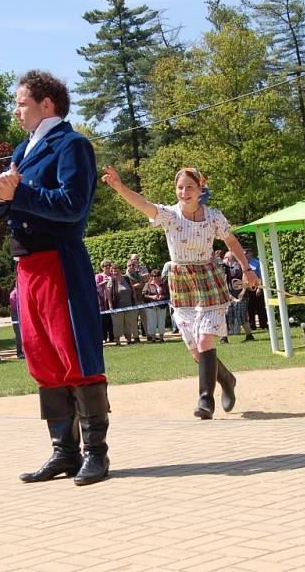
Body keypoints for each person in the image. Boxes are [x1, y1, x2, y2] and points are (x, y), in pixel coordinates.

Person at [0, 69, 109, 485]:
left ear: (47, 104)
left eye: (21, 102)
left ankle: (96, 453)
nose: (16, 110)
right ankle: (64, 451)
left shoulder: (72, 145)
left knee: (75, 354)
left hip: (59, 260)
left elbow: (72, 205)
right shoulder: (22, 149)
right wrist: (0, 196)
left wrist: (18, 192)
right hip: (28, 266)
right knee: (43, 359)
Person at [101, 165, 257, 419]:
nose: (184, 192)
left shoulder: (214, 216)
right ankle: (226, 378)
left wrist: (246, 268)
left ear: (200, 190)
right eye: (180, 187)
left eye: (190, 187)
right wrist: (120, 187)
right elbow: (143, 204)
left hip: (208, 278)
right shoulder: (170, 215)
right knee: (197, 351)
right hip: (181, 282)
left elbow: (230, 240)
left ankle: (205, 400)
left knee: (205, 339)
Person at [222, 251, 255, 342]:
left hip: (242, 296)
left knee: (241, 315)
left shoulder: (241, 266)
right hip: (229, 296)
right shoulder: (225, 268)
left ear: (228, 258)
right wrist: (228, 294)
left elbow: (246, 279)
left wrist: (243, 292)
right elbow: (223, 281)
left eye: (225, 257)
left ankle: (249, 336)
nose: (223, 259)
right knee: (226, 316)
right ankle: (224, 338)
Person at [106, 263, 137, 346]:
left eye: (116, 270)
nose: (114, 272)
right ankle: (118, 341)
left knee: (128, 323)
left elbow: (132, 291)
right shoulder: (111, 281)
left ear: (120, 270)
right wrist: (111, 307)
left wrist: (135, 302)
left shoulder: (127, 278)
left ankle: (129, 340)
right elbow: (108, 296)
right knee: (117, 324)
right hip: (117, 307)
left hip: (129, 306)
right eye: (112, 271)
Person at [142, 268, 168, 342]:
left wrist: (163, 296)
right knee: (151, 322)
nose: (156, 277)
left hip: (162, 306)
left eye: (157, 276)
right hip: (151, 306)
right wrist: (151, 297)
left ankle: (161, 337)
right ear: (151, 276)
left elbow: (168, 295)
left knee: (161, 321)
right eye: (154, 276)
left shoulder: (164, 284)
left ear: (160, 276)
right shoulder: (148, 284)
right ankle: (153, 338)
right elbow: (144, 294)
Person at [8, 285, 24, 359]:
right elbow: (14, 306)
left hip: (24, 315)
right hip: (16, 315)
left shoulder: (23, 291)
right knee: (19, 335)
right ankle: (19, 352)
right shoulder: (13, 293)